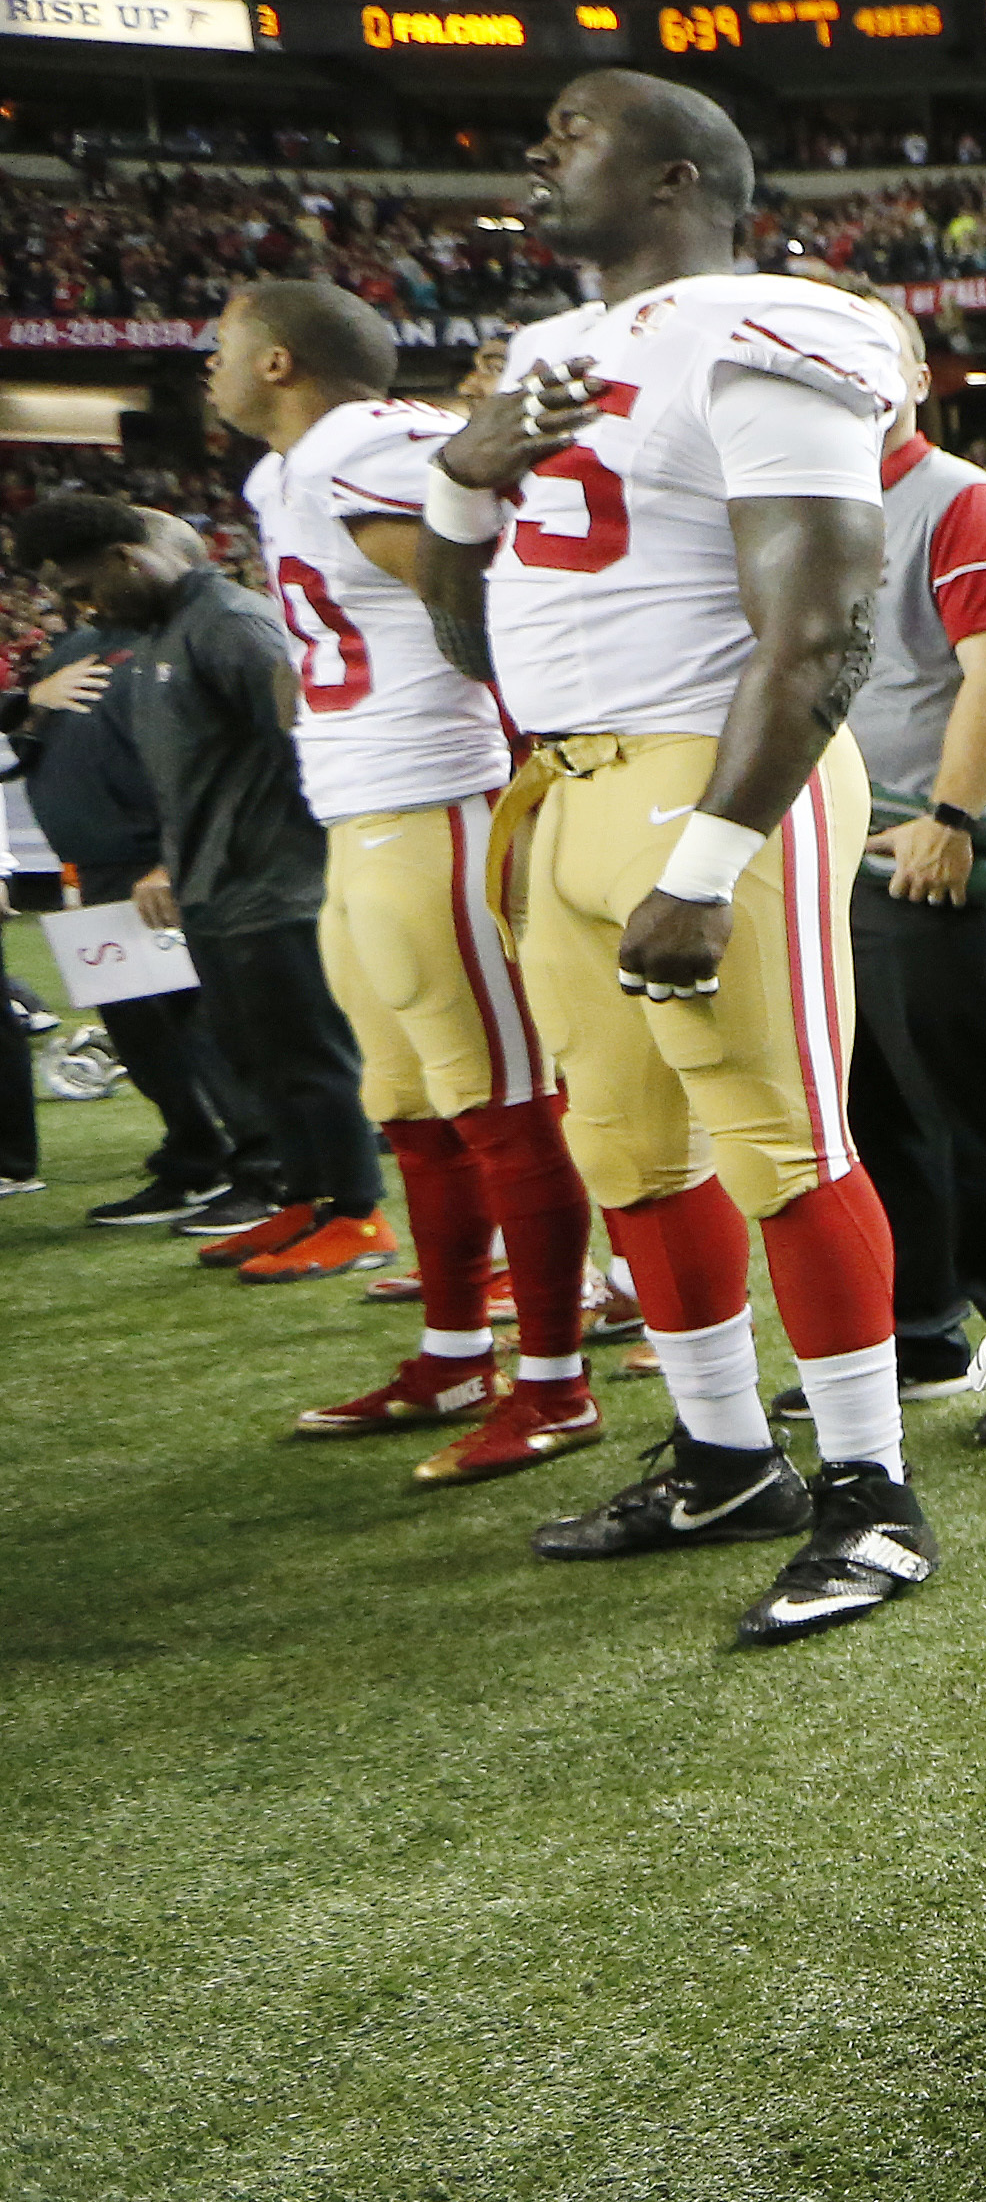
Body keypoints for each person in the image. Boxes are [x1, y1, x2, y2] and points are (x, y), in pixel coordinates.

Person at [403, 68, 933, 1649]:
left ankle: (868, 1489)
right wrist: (461, 471)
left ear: (678, 176)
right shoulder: (548, 357)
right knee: (625, 1151)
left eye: (575, 132)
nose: (536, 153)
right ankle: (722, 1457)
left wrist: (710, 856)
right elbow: (459, 626)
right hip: (557, 784)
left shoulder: (768, 322)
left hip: (709, 779)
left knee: (784, 1140)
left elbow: (823, 625)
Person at [207, 280, 604, 1479]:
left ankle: (555, 1382)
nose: (205, 369)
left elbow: (473, 586)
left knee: (502, 1103)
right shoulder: (284, 472)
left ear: (279, 362)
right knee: (415, 1109)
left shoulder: (364, 446)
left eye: (222, 348)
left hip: (438, 803)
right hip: (360, 817)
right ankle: (451, 1352)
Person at [16, 500, 388, 1284]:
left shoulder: (232, 624)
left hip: (275, 885)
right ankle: (304, 1198)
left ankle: (360, 1214)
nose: (84, 609)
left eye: (86, 589)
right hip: (212, 889)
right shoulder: (158, 636)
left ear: (127, 557)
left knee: (310, 1060)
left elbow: (308, 745)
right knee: (255, 1061)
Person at [832, 313, 986, 1437]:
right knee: (873, 1112)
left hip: (932, 846)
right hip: (840, 847)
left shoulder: (957, 497)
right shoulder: (803, 501)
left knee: (975, 1108)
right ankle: (919, 1334)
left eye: (868, 346)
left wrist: (953, 813)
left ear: (917, 376)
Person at [0, 608, 252, 1225]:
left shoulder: (178, 643)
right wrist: (26, 705)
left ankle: (265, 1171)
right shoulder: (80, 649)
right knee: (139, 1029)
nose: (71, 587)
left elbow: (200, 760)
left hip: (155, 863)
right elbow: (44, 745)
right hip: (97, 864)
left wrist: (170, 857)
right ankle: (196, 1160)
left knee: (205, 1025)